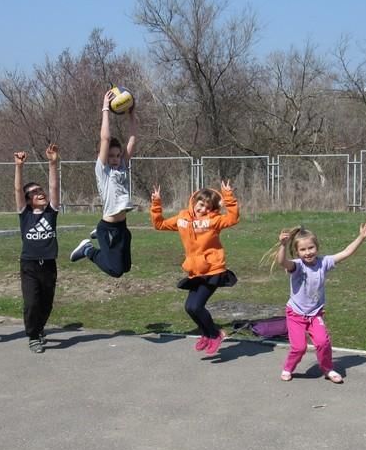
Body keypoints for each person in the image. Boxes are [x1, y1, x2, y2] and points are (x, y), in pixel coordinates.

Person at [275, 222, 366, 383]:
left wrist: (361, 237)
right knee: (299, 347)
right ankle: (288, 368)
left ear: (317, 247)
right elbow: (281, 262)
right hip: (295, 314)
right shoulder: (297, 266)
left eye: (311, 248)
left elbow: (346, 252)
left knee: (323, 342)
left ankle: (327, 369)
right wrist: (283, 246)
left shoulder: (324, 262)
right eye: (303, 249)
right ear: (297, 251)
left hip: (315, 314)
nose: (308, 252)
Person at [150, 181, 239, 355]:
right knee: (190, 307)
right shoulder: (182, 218)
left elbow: (233, 218)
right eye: (201, 204)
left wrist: (228, 197)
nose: (203, 209)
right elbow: (159, 224)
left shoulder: (213, 221)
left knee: (197, 306)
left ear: (212, 209)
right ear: (194, 201)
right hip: (195, 271)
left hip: (213, 270)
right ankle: (206, 334)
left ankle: (215, 334)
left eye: (208, 206)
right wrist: (156, 203)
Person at [69, 89, 136, 277]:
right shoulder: (103, 171)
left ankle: (97, 239)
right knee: (115, 271)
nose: (115, 158)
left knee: (125, 268)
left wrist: (132, 114)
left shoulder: (122, 167)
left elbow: (133, 139)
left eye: (117, 155)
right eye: (110, 155)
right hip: (108, 227)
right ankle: (88, 249)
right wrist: (105, 109)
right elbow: (105, 138)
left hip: (122, 227)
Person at [14, 144, 61, 354]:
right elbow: (17, 189)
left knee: (46, 304)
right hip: (29, 264)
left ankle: (39, 328)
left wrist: (52, 163)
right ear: (27, 200)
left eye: (39, 190)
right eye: (33, 192)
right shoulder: (25, 214)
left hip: (49, 264)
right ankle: (33, 336)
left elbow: (54, 188)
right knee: (32, 302)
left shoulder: (51, 212)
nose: (39, 193)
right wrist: (19, 167)